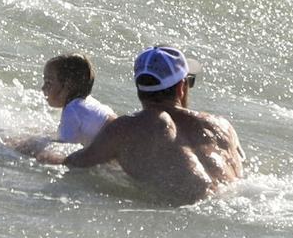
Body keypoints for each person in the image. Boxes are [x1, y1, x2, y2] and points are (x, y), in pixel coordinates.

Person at [42, 46, 244, 205]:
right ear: (181, 87)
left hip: (183, 213)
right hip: (232, 202)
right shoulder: (223, 127)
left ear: (139, 88)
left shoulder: (126, 129)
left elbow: (72, 163)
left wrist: (28, 146)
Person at [9, 53, 116, 158]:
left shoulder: (72, 110)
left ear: (67, 86)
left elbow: (64, 149)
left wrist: (28, 148)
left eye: (48, 83)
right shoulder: (86, 103)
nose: (43, 88)